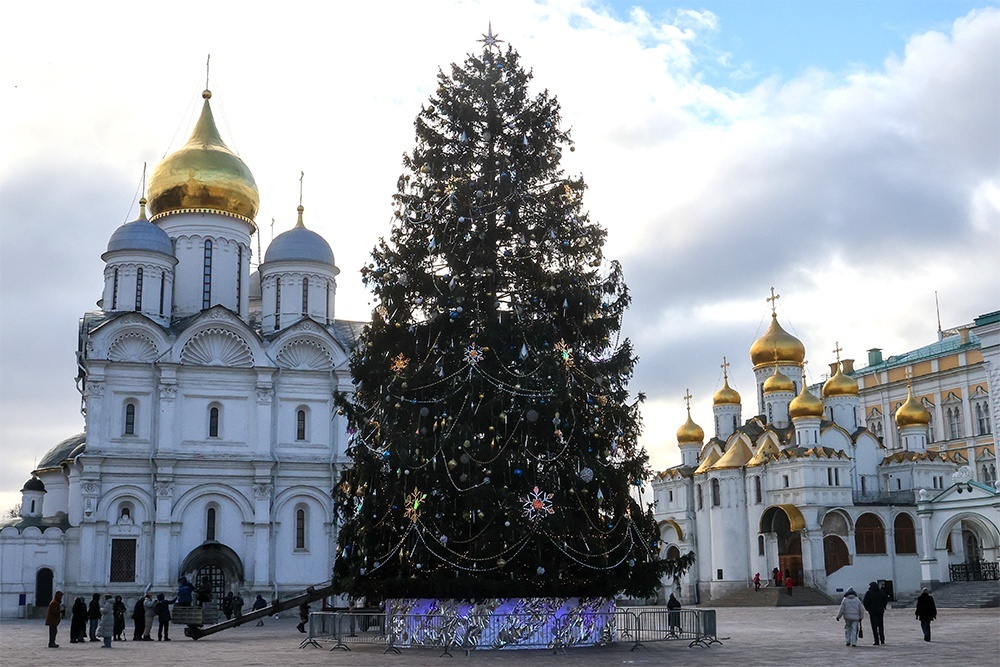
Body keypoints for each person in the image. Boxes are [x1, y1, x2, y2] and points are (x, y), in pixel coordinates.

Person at [862, 581, 888, 645]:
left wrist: (868, 609)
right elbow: (885, 600)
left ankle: (876, 640)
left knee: (874, 626)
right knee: (881, 625)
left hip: (872, 612)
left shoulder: (869, 593)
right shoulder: (881, 592)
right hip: (880, 611)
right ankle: (882, 640)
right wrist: (883, 606)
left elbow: (865, 602)